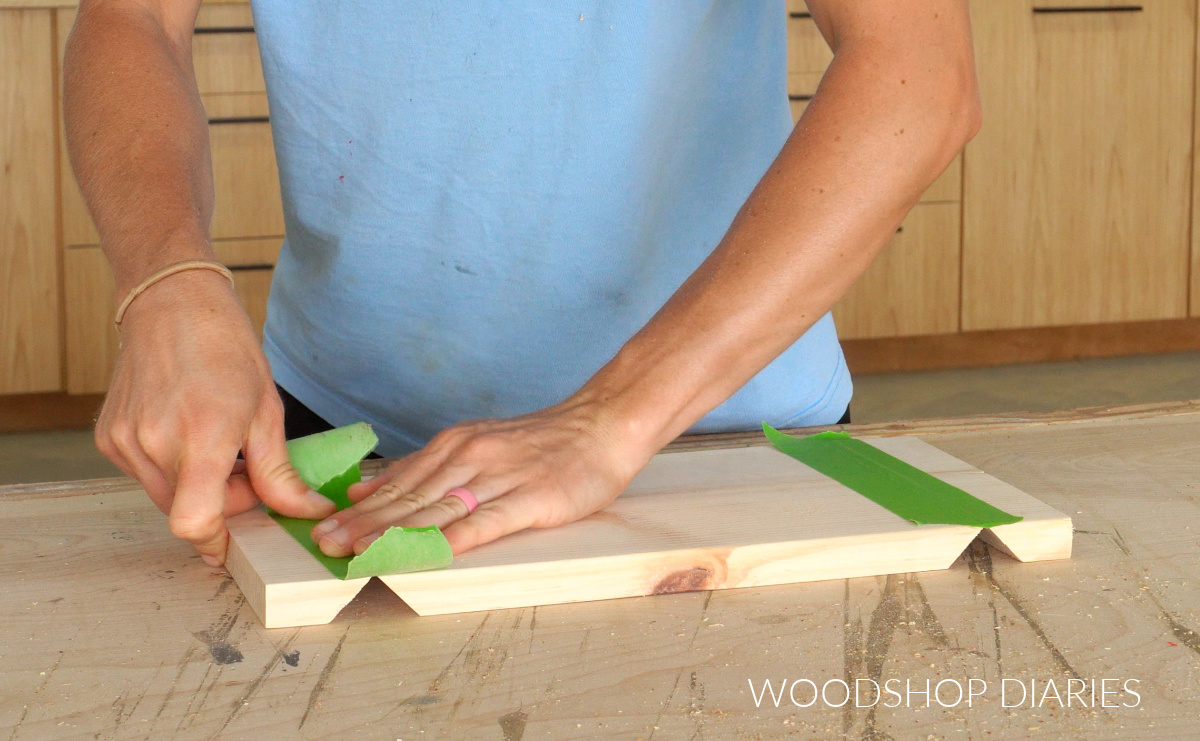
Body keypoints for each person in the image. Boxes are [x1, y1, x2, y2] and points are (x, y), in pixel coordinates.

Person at [64, 0, 980, 567]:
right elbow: (129, 17)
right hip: (343, 450)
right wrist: (166, 279)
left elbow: (918, 68)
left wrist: (608, 416)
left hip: (716, 436)